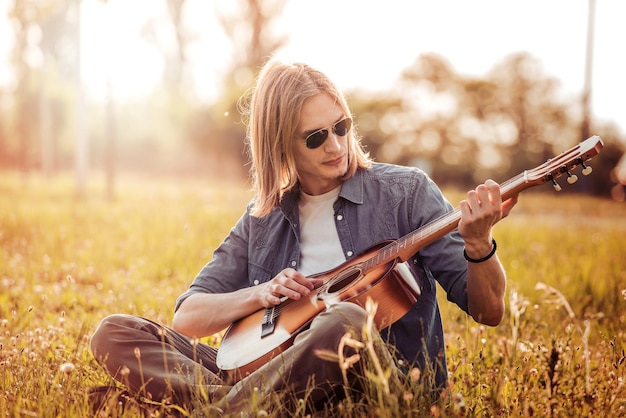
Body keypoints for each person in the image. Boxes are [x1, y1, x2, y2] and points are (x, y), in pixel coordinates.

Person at [89, 59, 518, 415]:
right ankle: (232, 406)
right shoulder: (264, 218)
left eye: (341, 126)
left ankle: (208, 410)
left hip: (377, 393)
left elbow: (489, 311)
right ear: (281, 146)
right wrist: (260, 295)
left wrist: (479, 246)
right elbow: (188, 317)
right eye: (316, 137)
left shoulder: (407, 193)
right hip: (265, 374)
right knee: (116, 332)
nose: (335, 145)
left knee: (347, 319)